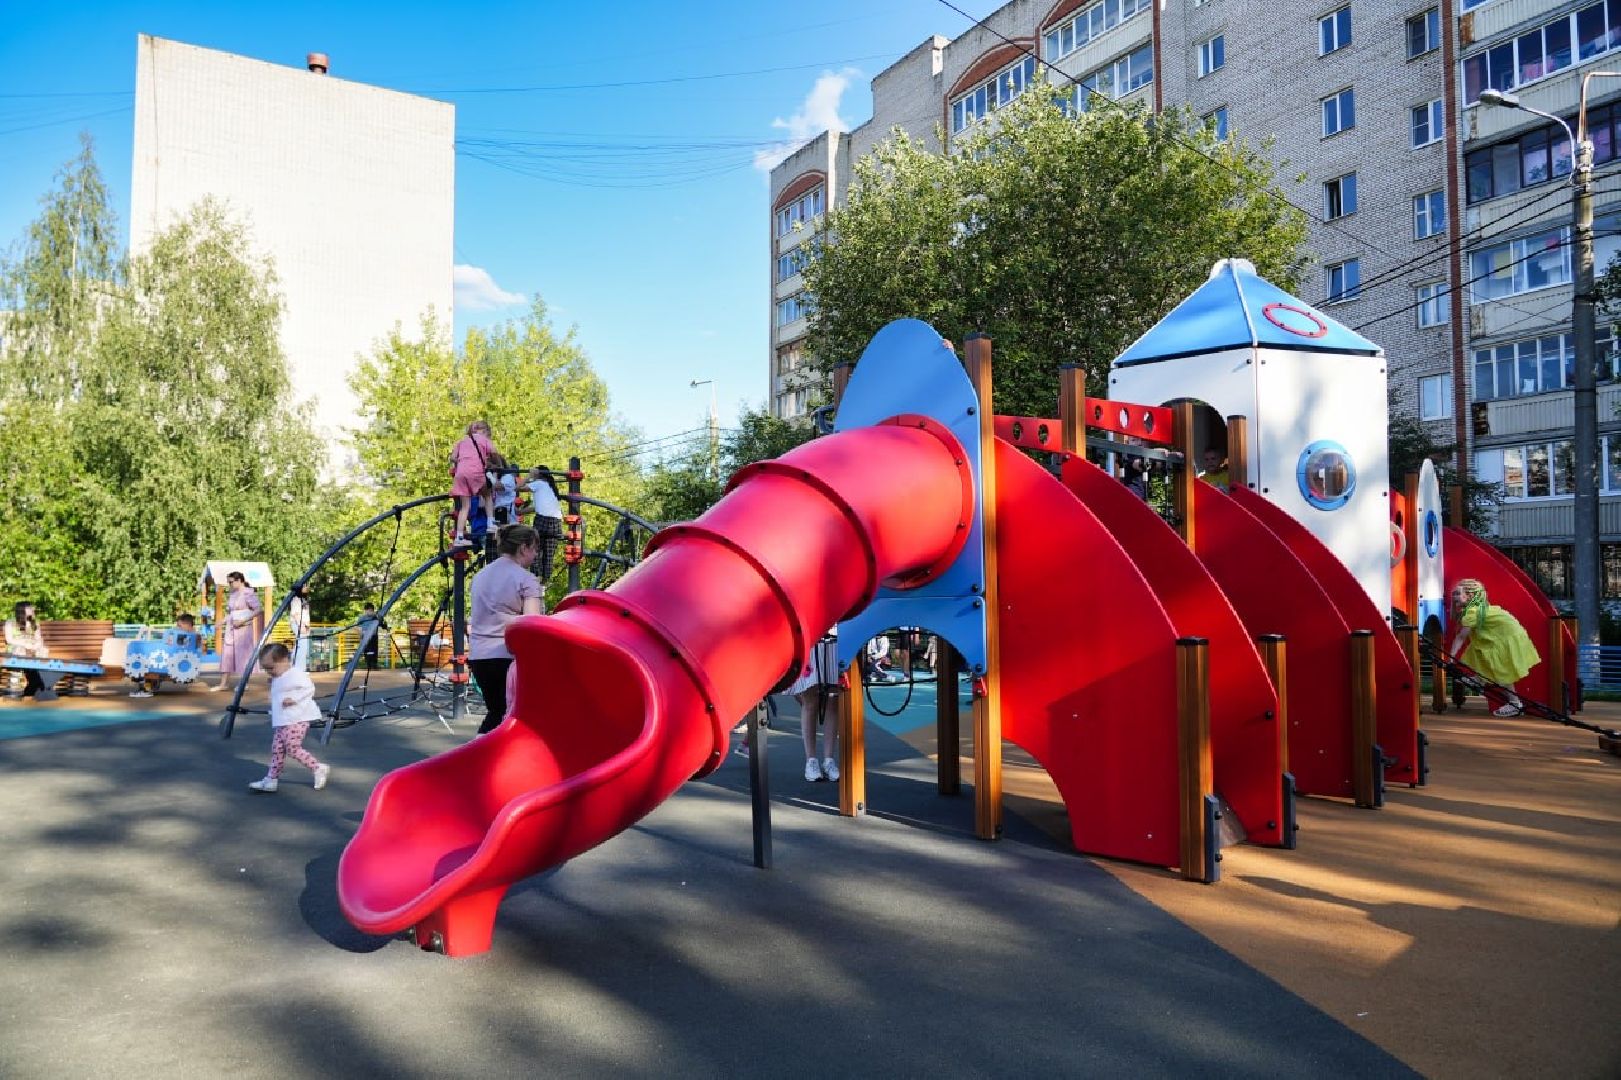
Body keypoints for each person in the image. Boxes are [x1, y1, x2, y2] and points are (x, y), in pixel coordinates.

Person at [468, 523, 543, 734]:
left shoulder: (480, 575)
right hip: (508, 656)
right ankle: (489, 759)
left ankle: (479, 752)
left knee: (496, 711)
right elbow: (531, 625)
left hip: (479, 655)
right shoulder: (526, 579)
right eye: (535, 549)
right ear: (523, 547)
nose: (536, 555)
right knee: (516, 715)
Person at [1449, 578, 1541, 717]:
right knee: (1478, 648)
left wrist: (1451, 658)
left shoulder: (1472, 612)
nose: (1454, 596)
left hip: (1506, 637)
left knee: (1501, 670)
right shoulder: (1479, 608)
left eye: (1457, 593)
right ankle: (1480, 678)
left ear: (1470, 596)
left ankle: (1515, 703)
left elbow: (1461, 637)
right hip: (1508, 633)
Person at [247, 642, 330, 793]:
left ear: (284, 660)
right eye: (266, 669)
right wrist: (274, 681)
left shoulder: (295, 674)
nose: (269, 672)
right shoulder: (279, 676)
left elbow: (309, 688)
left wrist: (295, 698)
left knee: (292, 748)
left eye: (271, 668)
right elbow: (280, 691)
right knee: (277, 749)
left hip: (297, 718)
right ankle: (271, 779)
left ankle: (318, 768)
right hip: (283, 720)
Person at [786, 632, 840, 782]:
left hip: (836, 637)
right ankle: (811, 761)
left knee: (833, 699)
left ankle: (829, 760)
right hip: (811, 637)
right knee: (810, 698)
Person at [449, 420, 498, 549]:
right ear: (485, 431)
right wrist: (497, 464)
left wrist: (463, 461)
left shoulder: (461, 442)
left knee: (465, 507)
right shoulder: (484, 440)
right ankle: (491, 523)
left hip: (461, 474)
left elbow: (453, 458)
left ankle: (459, 537)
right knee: (487, 494)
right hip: (476, 472)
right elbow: (494, 453)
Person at [212, 571, 263, 691]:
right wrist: (221, 622)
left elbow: (258, 610)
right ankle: (223, 683)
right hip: (231, 627)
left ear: (239, 580)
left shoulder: (248, 593)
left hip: (243, 628)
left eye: (231, 582)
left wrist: (243, 620)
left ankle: (243, 683)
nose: (229, 584)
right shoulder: (233, 594)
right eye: (228, 582)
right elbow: (231, 613)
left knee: (243, 655)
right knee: (227, 654)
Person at [130, 613, 199, 698]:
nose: (177, 628)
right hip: (175, 660)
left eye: (179, 625)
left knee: (145, 661)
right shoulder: (191, 634)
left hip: (174, 662)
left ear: (187, 624)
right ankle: (148, 686)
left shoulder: (187, 635)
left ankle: (145, 689)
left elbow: (177, 647)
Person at [524, 465, 566, 582]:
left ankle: (535, 577)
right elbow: (538, 506)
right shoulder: (551, 487)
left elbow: (517, 488)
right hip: (556, 523)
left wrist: (529, 476)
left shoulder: (538, 484)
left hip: (542, 520)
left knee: (535, 549)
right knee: (548, 555)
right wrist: (520, 511)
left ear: (538, 474)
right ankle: (544, 580)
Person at [3, 601, 48, 698]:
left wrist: (36, 646)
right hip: (15, 652)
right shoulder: (10, 623)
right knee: (20, 649)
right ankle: (15, 682)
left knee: (43, 650)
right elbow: (9, 639)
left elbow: (39, 639)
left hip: (32, 652)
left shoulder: (34, 623)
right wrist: (25, 644)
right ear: (21, 611)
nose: (32, 609)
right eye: (29, 608)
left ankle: (38, 682)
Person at [487, 452, 518, 527]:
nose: (489, 469)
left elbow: (498, 487)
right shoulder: (497, 477)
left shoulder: (508, 477)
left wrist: (491, 476)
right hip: (497, 512)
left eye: (490, 466)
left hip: (506, 512)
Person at [287, 585, 310, 671]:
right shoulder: (296, 599)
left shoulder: (303, 599)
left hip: (303, 624)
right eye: (305, 586)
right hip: (299, 624)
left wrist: (307, 625)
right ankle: (299, 669)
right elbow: (296, 614)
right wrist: (301, 626)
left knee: (299, 645)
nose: (307, 588)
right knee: (302, 646)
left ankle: (292, 666)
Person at [358, 603, 381, 671]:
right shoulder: (362, 618)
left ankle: (374, 664)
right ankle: (368, 664)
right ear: (365, 610)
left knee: (374, 649)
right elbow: (358, 626)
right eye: (368, 610)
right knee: (367, 650)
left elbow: (381, 622)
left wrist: (376, 615)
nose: (369, 611)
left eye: (371, 610)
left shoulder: (375, 617)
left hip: (373, 635)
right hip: (365, 635)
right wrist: (361, 633)